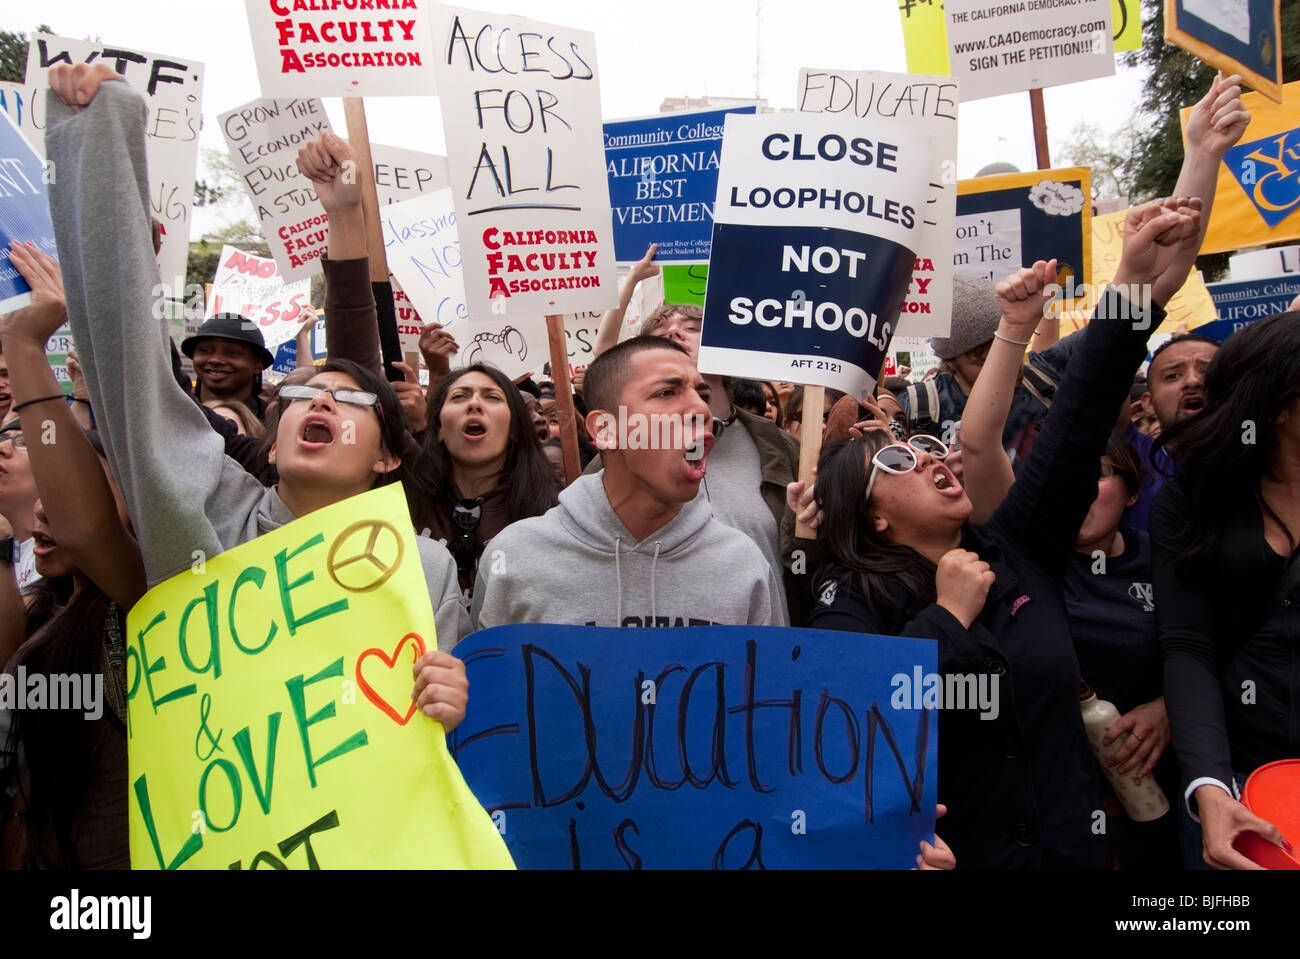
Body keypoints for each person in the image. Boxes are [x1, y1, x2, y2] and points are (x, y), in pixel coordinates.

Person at [43, 65, 471, 727]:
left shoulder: (425, 566)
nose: (321, 403)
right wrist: (98, 135)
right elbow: (133, 372)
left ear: (387, 458)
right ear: (272, 437)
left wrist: (452, 699)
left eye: (348, 403)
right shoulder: (207, 515)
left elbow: (449, 741)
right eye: (301, 395)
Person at [804, 198, 1203, 868]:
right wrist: (947, 617)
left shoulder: (1020, 548)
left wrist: (1133, 280)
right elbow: (850, 725)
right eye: (898, 460)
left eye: (929, 444)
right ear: (871, 514)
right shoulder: (848, 602)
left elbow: (1083, 407)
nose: (930, 456)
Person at [0, 239, 146, 869]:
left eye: (76, 485)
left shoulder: (142, 606)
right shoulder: (40, 619)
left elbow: (87, 529)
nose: (44, 512)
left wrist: (26, 349)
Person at [470, 336, 780, 629]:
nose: (700, 409)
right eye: (666, 393)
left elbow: (767, 682)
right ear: (605, 428)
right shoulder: (513, 558)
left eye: (703, 395)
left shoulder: (744, 563)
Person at [1151, 308, 1300, 869]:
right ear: (1280, 403)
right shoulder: (1192, 502)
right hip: (1242, 788)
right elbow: (1188, 645)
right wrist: (1209, 785)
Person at [408, 364, 560, 594]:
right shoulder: (405, 504)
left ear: (514, 430)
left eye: (493, 397)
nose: (475, 404)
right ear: (438, 428)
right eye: (459, 397)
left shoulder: (554, 515)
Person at [181, 312, 274, 420]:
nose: (215, 360)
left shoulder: (275, 424)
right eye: (204, 350)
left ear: (258, 365)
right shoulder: (175, 413)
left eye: (232, 353)